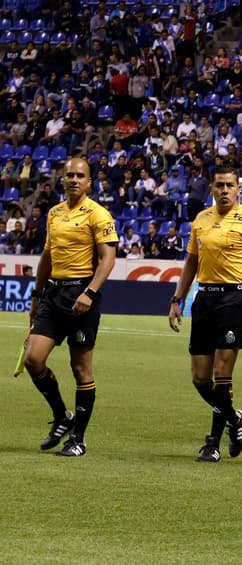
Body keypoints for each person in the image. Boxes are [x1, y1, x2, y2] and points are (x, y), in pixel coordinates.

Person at [167, 166, 242, 462]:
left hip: (235, 298)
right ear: (211, 189)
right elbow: (191, 262)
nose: (224, 190)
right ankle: (236, 419)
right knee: (200, 379)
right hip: (204, 298)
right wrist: (177, 299)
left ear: (238, 190)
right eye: (219, 185)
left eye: (230, 185)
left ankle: (212, 443)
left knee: (222, 374)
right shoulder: (201, 220)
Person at [22, 157, 118, 457]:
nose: (74, 179)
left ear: (89, 182)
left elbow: (108, 259)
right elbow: (47, 257)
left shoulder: (99, 215)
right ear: (62, 180)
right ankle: (63, 415)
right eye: (69, 175)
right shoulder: (54, 214)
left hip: (82, 295)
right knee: (33, 360)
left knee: (80, 369)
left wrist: (89, 292)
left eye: (80, 175)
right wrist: (36, 297)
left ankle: (78, 439)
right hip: (54, 294)